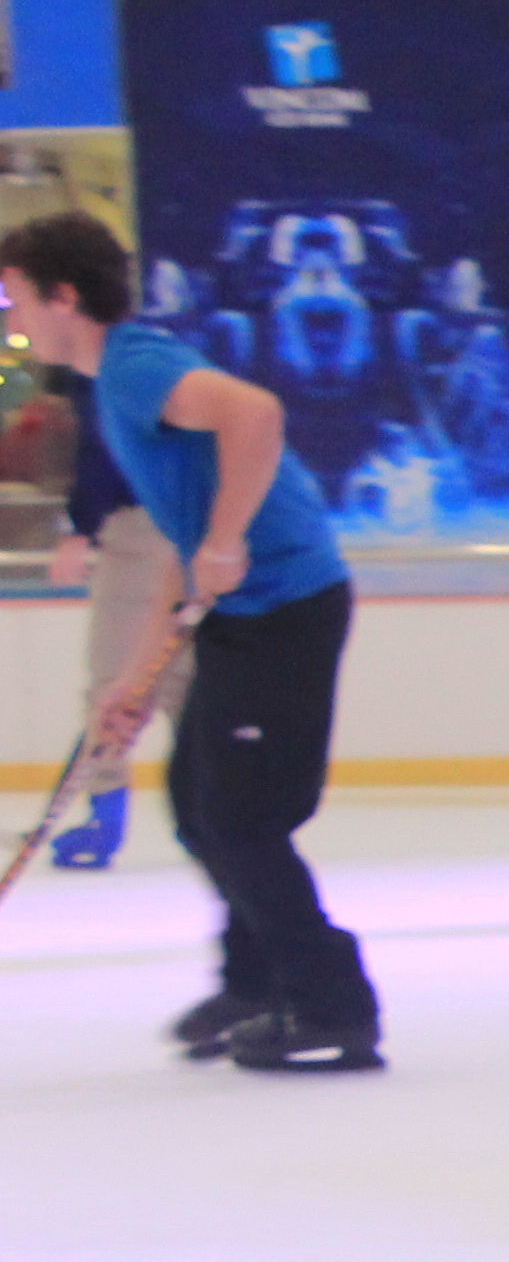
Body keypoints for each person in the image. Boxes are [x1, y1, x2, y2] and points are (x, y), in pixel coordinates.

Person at [7, 210, 378, 1069]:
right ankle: (254, 983)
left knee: (242, 819)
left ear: (65, 298)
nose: (11, 319)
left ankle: (331, 1009)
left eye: (17, 300)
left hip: (287, 609)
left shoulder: (136, 369)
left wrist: (225, 543)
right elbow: (187, 530)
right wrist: (131, 682)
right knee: (201, 806)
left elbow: (255, 413)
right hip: (241, 617)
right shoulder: (115, 382)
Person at [10, 345, 186, 875]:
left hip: (141, 529)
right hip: (178, 526)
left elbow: (101, 451)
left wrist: (82, 527)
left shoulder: (103, 370)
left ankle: (106, 815)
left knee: (120, 681)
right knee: (177, 679)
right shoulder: (138, 359)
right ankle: (207, 813)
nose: (16, 325)